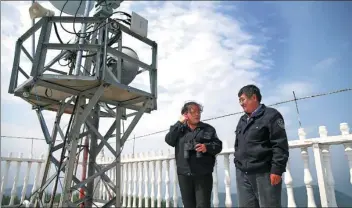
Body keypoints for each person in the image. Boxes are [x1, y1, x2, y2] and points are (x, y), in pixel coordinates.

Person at [234, 84, 289, 207]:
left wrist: (277, 170)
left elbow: (280, 144)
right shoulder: (242, 120)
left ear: (254, 97)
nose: (241, 103)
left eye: (242, 99)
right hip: (243, 174)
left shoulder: (272, 115)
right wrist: (238, 164)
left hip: (264, 174)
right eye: (239, 101)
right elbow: (237, 145)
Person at [165, 101, 222, 208]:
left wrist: (206, 147)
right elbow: (169, 140)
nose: (197, 114)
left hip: (203, 174)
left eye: (199, 112)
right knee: (188, 205)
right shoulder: (178, 129)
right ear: (185, 114)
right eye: (193, 112)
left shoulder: (208, 129)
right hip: (184, 174)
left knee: (203, 205)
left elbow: (218, 145)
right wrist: (179, 122)